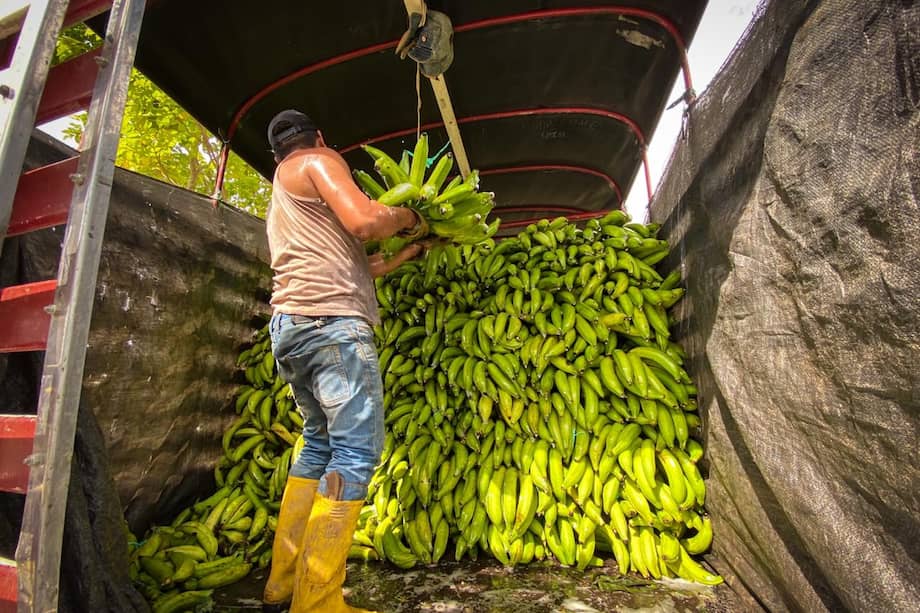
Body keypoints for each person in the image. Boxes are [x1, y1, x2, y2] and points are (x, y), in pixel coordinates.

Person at [261, 109, 426, 613]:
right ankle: (318, 603)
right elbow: (366, 220)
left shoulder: (285, 199)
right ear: (318, 138)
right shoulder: (317, 159)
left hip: (294, 326)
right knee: (354, 454)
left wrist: (406, 254)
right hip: (330, 327)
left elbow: (358, 265)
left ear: (274, 153)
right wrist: (406, 216)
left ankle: (282, 588)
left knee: (317, 448)